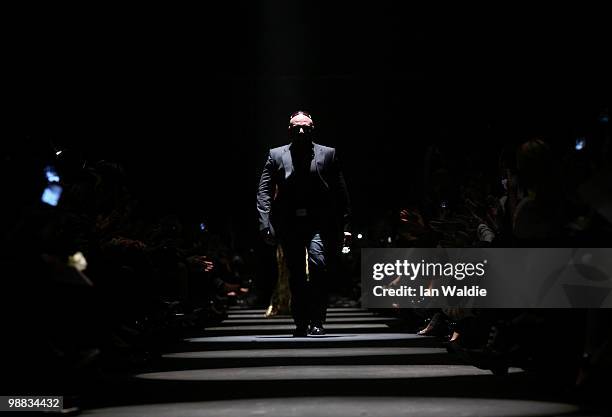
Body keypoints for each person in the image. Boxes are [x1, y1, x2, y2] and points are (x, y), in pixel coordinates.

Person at [257, 110, 351, 336]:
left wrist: (346, 228)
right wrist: (265, 223)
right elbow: (264, 191)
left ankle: (317, 320)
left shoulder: (327, 154)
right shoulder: (276, 155)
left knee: (318, 266)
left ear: (312, 129)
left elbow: (341, 194)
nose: (301, 130)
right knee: (296, 273)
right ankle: (301, 321)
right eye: (297, 127)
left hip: (319, 222)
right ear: (289, 130)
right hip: (289, 223)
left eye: (305, 127)